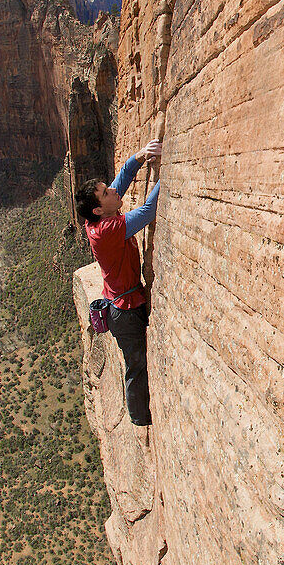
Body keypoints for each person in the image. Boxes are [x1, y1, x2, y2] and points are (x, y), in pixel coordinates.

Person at [74, 139, 161, 426]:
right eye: (105, 192)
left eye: (107, 188)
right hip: (123, 311)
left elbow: (121, 180)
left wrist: (139, 156)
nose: (112, 190)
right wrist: (170, 173)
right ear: (98, 209)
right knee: (136, 366)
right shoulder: (108, 229)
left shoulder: (97, 217)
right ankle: (140, 419)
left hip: (122, 302)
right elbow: (148, 211)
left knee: (137, 362)